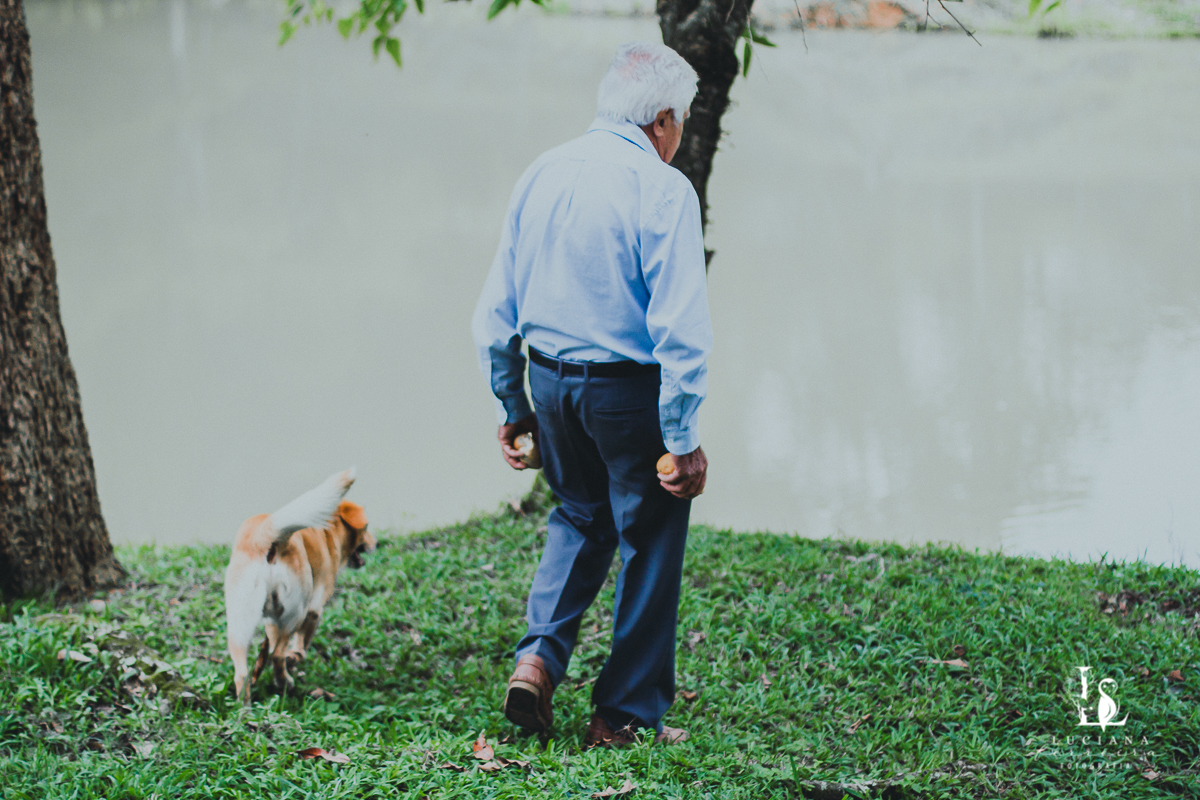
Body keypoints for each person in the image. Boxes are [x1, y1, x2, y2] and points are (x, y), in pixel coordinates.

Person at [471, 41, 712, 748]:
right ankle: (623, 714)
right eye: (684, 122)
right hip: (625, 391)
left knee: (578, 514)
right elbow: (680, 333)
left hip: (550, 381)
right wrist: (683, 440)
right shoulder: (661, 189)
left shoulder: (543, 172)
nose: (680, 136)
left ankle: (538, 659)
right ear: (662, 118)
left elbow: (492, 315)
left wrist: (512, 406)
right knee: (651, 531)